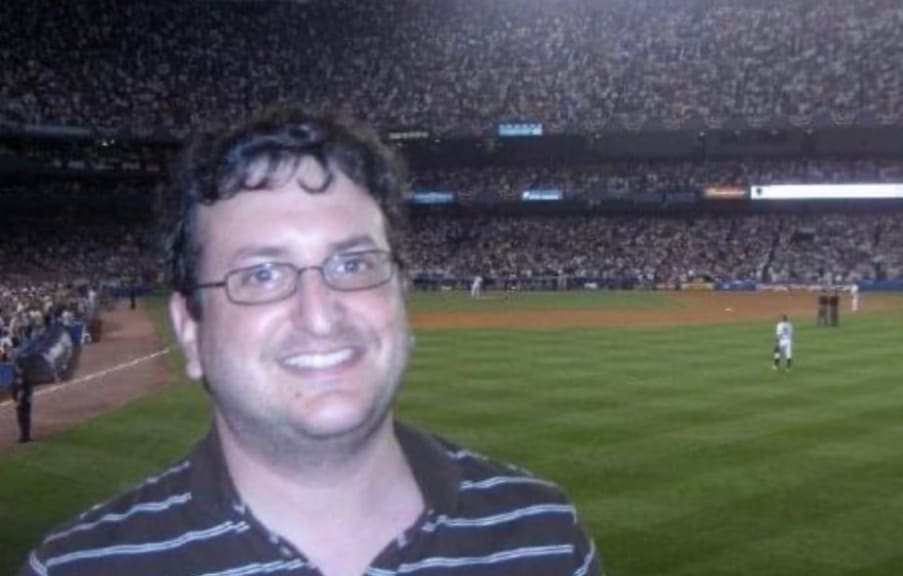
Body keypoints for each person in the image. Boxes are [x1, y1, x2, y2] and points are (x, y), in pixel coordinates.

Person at [19, 109, 602, 576]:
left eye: (352, 263)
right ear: (190, 331)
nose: (320, 315)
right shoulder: (80, 567)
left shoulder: (545, 539)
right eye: (263, 275)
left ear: (400, 294)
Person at [10, 366, 33, 443]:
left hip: (24, 402)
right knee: (23, 419)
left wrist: (18, 400)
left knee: (24, 419)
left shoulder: (23, 378)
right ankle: (25, 436)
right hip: (23, 402)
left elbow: (22, 391)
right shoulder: (22, 377)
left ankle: (26, 437)